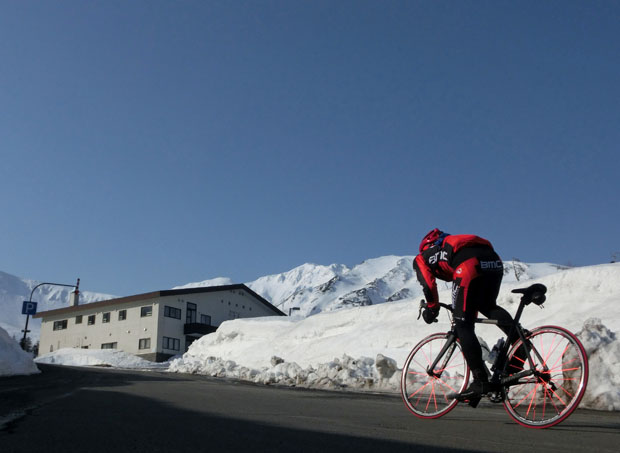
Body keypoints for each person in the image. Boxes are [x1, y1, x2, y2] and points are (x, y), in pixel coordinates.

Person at [413, 228, 518, 406]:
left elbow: (428, 285)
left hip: (468, 266)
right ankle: (520, 340)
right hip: (494, 261)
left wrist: (431, 309)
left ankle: (480, 380)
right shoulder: (455, 243)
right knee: (487, 305)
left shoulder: (422, 257)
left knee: (463, 325)